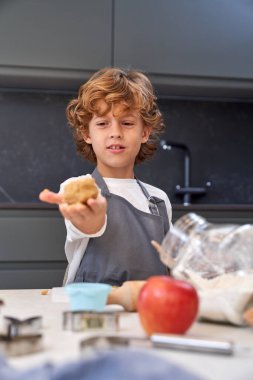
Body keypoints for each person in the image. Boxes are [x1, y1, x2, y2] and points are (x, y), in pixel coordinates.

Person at [39, 67, 172, 286]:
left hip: (146, 313)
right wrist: (92, 218)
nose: (115, 132)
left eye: (127, 123)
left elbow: (171, 264)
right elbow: (85, 224)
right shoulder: (78, 188)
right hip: (92, 313)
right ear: (87, 134)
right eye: (102, 123)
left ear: (144, 133)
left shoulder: (159, 200)